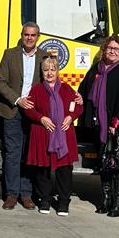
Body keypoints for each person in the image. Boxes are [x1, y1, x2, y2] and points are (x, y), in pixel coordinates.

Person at [78, 35, 119, 217]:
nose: (112, 51)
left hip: (116, 124)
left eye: (116, 49)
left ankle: (117, 203)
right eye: (109, 48)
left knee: (116, 162)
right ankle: (105, 199)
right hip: (98, 124)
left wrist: (115, 121)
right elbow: (84, 88)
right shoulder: (97, 68)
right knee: (103, 161)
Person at [0, 22, 48, 210]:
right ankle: (11, 194)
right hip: (12, 110)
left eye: (33, 35)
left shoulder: (44, 57)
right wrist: (17, 99)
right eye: (26, 35)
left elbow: (50, 82)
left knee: (29, 154)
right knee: (12, 154)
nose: (29, 38)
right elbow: (0, 82)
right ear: (22, 35)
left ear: (38, 37)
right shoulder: (10, 54)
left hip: (34, 113)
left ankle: (26, 194)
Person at [23, 56, 82, 215]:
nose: (49, 73)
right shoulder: (36, 89)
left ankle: (63, 202)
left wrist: (71, 117)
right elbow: (28, 109)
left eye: (53, 69)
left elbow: (78, 105)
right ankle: (45, 200)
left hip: (63, 134)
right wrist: (41, 118)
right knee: (43, 171)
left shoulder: (66, 88)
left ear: (58, 71)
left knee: (64, 170)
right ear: (42, 72)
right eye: (46, 70)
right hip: (43, 133)